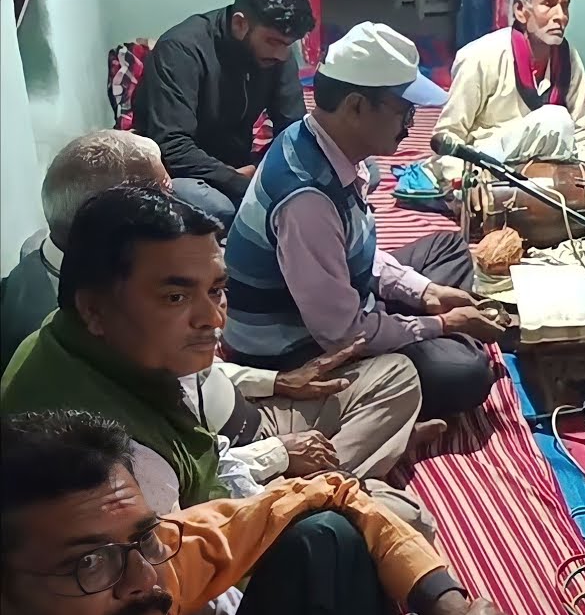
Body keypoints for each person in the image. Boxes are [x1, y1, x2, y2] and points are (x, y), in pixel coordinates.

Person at [0, 409, 524, 615]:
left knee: (325, 537)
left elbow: (322, 491)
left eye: (144, 539)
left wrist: (453, 612)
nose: (146, 580)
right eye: (89, 562)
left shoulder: (136, 569)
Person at [1, 184, 435, 530]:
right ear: (94, 308)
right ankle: (364, 471)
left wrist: (278, 385)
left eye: (216, 290)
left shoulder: (78, 338)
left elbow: (204, 449)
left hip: (230, 453)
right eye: (175, 296)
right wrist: (298, 484)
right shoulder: (118, 463)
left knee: (395, 374)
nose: (213, 319)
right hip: (219, 541)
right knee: (407, 519)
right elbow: (196, 588)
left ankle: (358, 468)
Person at [223, 23, 503, 421]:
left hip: (332, 304)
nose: (410, 126)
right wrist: (439, 324)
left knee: (449, 247)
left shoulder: (327, 149)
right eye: (403, 111)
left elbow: (358, 251)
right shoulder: (306, 198)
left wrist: (425, 293)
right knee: (465, 375)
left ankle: (449, 334)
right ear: (355, 106)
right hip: (295, 351)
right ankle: (451, 343)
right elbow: (341, 334)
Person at [430, 0, 585, 202]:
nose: (560, 16)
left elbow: (582, 133)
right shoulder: (480, 56)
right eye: (549, 5)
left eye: (565, 6)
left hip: (562, 162)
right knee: (556, 119)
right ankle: (564, 195)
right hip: (493, 164)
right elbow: (448, 136)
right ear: (521, 10)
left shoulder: (569, 57)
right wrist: (460, 186)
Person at [131, 0, 315, 227]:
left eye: (288, 45)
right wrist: (243, 184)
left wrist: (263, 171)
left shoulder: (278, 55)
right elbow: (173, 146)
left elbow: (292, 128)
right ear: (240, 24)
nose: (281, 54)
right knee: (217, 208)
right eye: (273, 42)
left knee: (354, 169)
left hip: (242, 166)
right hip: (184, 173)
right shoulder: (181, 51)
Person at [2, 132, 169, 369]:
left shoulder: (41, 249)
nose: (177, 209)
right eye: (168, 194)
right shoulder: (80, 335)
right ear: (120, 227)